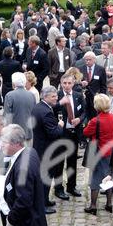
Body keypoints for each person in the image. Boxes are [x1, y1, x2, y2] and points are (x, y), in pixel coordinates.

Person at [31, 86, 64, 214]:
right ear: (45, 97)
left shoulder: (39, 107)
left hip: (40, 147)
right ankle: (42, 205)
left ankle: (45, 200)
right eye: (53, 96)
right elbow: (54, 133)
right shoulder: (46, 112)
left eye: (56, 96)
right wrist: (60, 126)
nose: (56, 98)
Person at [52, 74, 85, 200]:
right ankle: (58, 189)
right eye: (64, 83)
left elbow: (84, 112)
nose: (66, 85)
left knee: (72, 161)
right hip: (61, 134)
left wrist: (79, 119)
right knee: (59, 162)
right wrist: (60, 103)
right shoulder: (56, 96)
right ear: (61, 83)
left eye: (69, 83)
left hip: (74, 132)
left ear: (73, 83)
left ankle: (72, 186)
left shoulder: (78, 95)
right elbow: (50, 109)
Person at [83, 94, 113, 215]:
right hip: (110, 151)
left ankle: (93, 206)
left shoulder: (95, 121)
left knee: (95, 179)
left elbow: (85, 132)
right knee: (108, 176)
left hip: (98, 152)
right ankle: (109, 203)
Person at [3, 72, 36, 142]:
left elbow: (7, 116)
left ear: (13, 83)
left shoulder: (10, 95)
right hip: (29, 133)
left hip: (15, 134)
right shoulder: (31, 95)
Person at [79, 51, 107, 120]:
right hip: (84, 97)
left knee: (95, 116)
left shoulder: (101, 69)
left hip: (96, 97)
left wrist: (102, 97)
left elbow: (103, 85)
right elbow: (77, 83)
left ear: (94, 60)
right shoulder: (80, 69)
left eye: (89, 60)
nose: (87, 61)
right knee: (85, 115)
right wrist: (81, 83)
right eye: (86, 60)